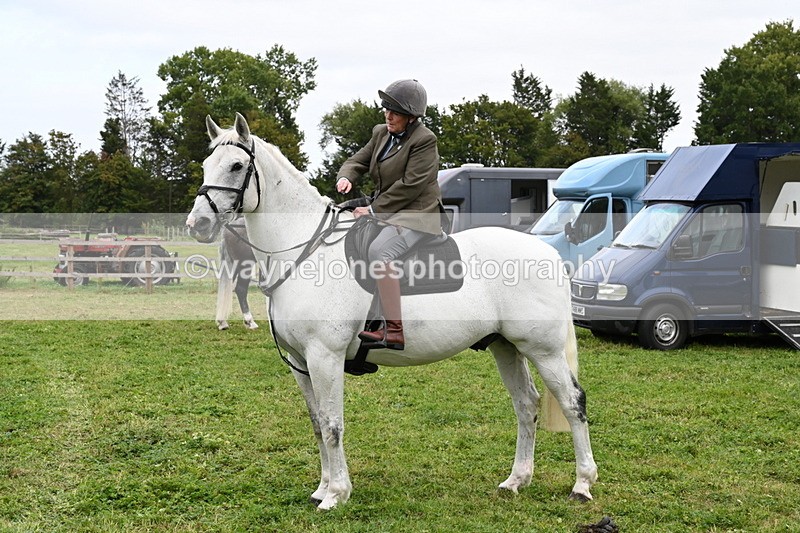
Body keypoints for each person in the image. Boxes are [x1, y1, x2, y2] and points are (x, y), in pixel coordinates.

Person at [336, 79, 443, 351]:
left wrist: (372, 210)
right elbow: (356, 160)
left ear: (412, 117)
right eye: (386, 108)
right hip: (388, 209)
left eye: (395, 111)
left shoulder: (425, 140)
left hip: (418, 214)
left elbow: (411, 186)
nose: (388, 115)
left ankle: (393, 329)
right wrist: (346, 177)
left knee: (380, 253)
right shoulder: (380, 133)